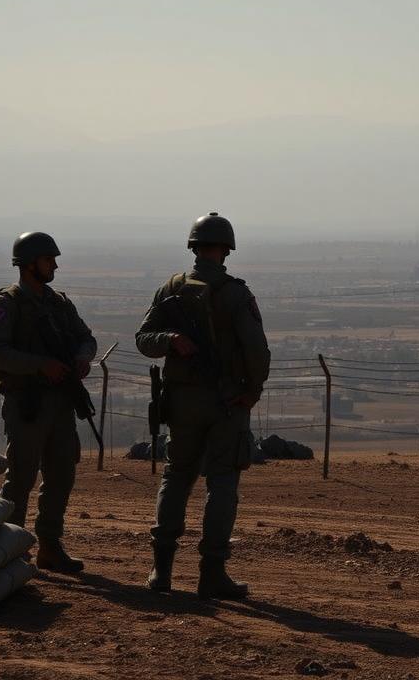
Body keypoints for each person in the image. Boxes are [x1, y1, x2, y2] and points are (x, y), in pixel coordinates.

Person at [136, 212, 271, 599]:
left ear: (193, 247)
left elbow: (144, 338)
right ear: (226, 249)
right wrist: (253, 391)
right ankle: (212, 574)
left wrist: (169, 338)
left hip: (181, 402)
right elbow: (257, 351)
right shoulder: (236, 293)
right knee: (223, 482)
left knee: (176, 477)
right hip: (227, 402)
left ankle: (160, 571)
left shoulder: (171, 289)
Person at [0, 231, 97, 574]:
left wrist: (82, 357)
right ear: (30, 264)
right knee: (21, 477)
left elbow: (86, 337)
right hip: (27, 404)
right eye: (49, 260)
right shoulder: (7, 305)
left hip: (61, 403)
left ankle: (50, 545)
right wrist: (39, 365)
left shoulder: (58, 303)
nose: (55, 266)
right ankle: (9, 548)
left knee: (61, 474)